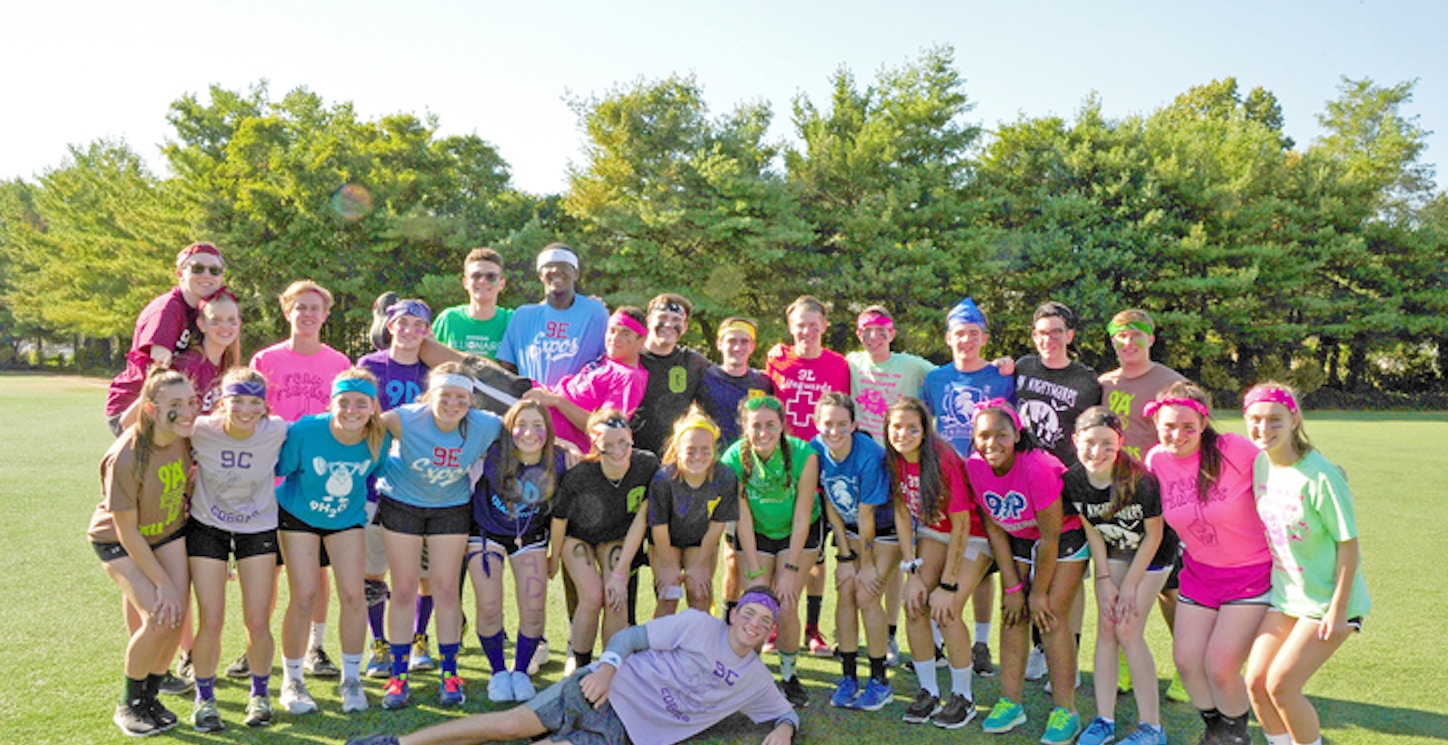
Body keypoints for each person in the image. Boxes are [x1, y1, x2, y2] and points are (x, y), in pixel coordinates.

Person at [343, 587, 799, 745]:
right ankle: (395, 742)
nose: (755, 624)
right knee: (506, 727)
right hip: (597, 688)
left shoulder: (757, 681)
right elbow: (629, 637)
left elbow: (786, 713)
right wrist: (605, 668)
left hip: (621, 734)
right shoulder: (700, 625)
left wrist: (784, 729)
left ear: (770, 633)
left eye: (765, 622)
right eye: (749, 614)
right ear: (734, 615)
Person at [1242, 383, 1369, 745]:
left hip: (1328, 602)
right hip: (1287, 597)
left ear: (1294, 419)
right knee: (1255, 683)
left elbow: (1348, 546)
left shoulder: (1321, 475)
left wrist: (1338, 610)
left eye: (1274, 420)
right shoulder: (1259, 465)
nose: (1263, 429)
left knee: (1282, 685)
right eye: (1254, 419)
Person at [375, 363, 505, 709]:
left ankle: (450, 672)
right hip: (401, 501)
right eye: (444, 395)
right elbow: (365, 429)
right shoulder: (403, 418)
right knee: (403, 589)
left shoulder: (486, 425)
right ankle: (398, 676)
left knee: (446, 589)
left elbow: (525, 429)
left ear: (471, 400)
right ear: (430, 395)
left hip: (451, 506)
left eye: (461, 397)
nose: (452, 403)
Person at [1144, 381, 1268, 745]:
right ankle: (1217, 731)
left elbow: (1281, 466)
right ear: (1156, 424)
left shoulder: (1235, 449)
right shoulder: (1157, 460)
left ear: (1203, 423)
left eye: (1188, 426)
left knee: (1220, 665)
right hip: (1199, 574)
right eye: (1169, 426)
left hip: (1252, 573)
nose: (1178, 434)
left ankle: (1234, 736)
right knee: (1186, 661)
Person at [246, 279, 354, 680]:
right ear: (287, 311)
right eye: (300, 307)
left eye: (315, 308)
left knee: (317, 572)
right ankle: (256, 645)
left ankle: (316, 646)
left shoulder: (339, 363)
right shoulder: (266, 360)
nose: (307, 315)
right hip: (272, 479)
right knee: (267, 568)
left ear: (325, 315)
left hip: (319, 483)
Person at [274, 368, 393, 716]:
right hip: (299, 515)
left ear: (373, 406)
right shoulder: (306, 430)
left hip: (346, 518)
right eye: (344, 402)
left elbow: (377, 473)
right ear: (332, 402)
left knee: (354, 594)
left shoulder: (379, 438)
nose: (352, 410)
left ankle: (352, 680)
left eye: (361, 403)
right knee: (304, 595)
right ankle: (292, 680)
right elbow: (283, 469)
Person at [968, 399, 1085, 744]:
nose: (992, 444)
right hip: (1017, 537)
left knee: (1050, 617)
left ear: (1017, 434)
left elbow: (1050, 537)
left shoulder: (1037, 466)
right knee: (1012, 615)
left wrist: (1037, 592)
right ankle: (1011, 702)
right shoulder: (975, 465)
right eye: (984, 436)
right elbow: (994, 526)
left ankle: (1067, 711)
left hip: (1062, 538)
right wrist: (1014, 589)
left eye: (1001, 435)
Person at [88, 369, 197, 736]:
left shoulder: (184, 439)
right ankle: (129, 703)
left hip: (166, 532)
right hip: (120, 540)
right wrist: (162, 582)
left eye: (191, 403)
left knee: (178, 616)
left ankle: (151, 695)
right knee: (158, 615)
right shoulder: (125, 456)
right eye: (175, 405)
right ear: (150, 409)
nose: (187, 412)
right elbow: (126, 530)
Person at [186, 368, 288, 731]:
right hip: (207, 527)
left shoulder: (276, 430)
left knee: (257, 619)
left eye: (255, 402)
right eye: (238, 400)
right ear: (222, 401)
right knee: (210, 618)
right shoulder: (201, 430)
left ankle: (259, 694)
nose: (246, 409)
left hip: (257, 527)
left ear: (265, 405)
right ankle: (204, 698)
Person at [1066, 407, 1175, 745]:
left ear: (1120, 444)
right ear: (1075, 441)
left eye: (1107, 445)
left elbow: (1154, 536)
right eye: (1089, 443)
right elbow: (1093, 530)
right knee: (1107, 625)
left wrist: (1128, 586)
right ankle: (1104, 720)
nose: (1097, 453)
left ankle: (1151, 728)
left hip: (1153, 554)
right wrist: (1103, 581)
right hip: (1114, 549)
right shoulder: (1073, 480)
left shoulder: (1140, 479)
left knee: (1127, 627)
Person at [1098, 308, 1190, 702]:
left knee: (1171, 588)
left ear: (1150, 339)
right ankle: (1121, 667)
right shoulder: (1102, 382)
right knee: (1116, 584)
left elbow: (1194, 433)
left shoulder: (1172, 383)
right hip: (1115, 501)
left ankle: (1188, 665)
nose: (1128, 343)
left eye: (1136, 335)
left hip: (1160, 498)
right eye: (1120, 336)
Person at [885, 397, 980, 729]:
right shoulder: (894, 459)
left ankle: (963, 697)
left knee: (946, 607)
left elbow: (963, 525)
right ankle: (928, 690)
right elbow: (900, 511)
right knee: (914, 603)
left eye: (913, 427)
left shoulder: (942, 460)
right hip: (934, 531)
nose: (903, 434)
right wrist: (911, 570)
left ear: (925, 431)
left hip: (972, 535)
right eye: (896, 426)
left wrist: (949, 583)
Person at [722, 395, 821, 708]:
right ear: (744, 428)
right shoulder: (734, 458)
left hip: (797, 531)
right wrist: (751, 565)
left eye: (770, 425)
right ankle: (746, 675)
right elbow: (743, 517)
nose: (762, 433)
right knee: (755, 603)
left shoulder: (804, 453)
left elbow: (803, 515)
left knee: (788, 602)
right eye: (755, 426)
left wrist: (790, 570)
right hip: (758, 533)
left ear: (782, 426)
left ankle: (789, 677)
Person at [764, 295, 849, 657]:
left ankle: (813, 629)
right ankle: (772, 625)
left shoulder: (839, 365)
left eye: (814, 325)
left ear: (824, 327)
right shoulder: (776, 359)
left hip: (822, 466)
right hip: (781, 466)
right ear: (790, 327)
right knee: (776, 550)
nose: (807, 331)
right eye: (800, 324)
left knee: (815, 556)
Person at [470, 399, 570, 703]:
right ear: (509, 429)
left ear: (548, 431)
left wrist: (555, 552)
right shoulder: (493, 452)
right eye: (521, 424)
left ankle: (521, 671)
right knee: (489, 606)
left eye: (537, 425)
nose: (529, 432)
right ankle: (498, 671)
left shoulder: (561, 460)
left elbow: (560, 512)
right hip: (486, 533)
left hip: (530, 537)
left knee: (534, 607)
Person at [357, 299, 436, 676]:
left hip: (421, 485)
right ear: (389, 326)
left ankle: (420, 639)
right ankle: (379, 643)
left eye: (418, 325)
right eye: (402, 323)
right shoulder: (369, 367)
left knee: (423, 574)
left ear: (427, 331)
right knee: (374, 570)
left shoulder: (433, 370)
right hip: (375, 482)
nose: (409, 331)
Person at [549, 408, 660, 667]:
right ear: (595, 444)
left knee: (616, 599)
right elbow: (560, 520)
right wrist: (553, 558)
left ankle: (612, 666)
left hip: (617, 536)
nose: (619, 451)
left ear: (632, 437)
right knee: (591, 595)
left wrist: (620, 575)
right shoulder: (580, 475)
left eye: (624, 442)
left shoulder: (647, 465)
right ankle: (580, 664)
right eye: (608, 445)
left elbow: (642, 520)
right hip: (578, 538)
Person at [809, 393, 895, 712]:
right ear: (817, 424)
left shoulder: (870, 455)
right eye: (828, 424)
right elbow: (830, 501)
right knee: (845, 588)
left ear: (854, 425)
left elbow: (867, 515)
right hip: (848, 530)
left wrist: (867, 563)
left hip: (884, 531)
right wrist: (845, 557)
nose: (834, 431)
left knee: (866, 593)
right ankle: (848, 678)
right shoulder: (815, 449)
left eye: (842, 425)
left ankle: (879, 681)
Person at [105, 242, 227, 435]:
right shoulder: (168, 310)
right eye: (197, 268)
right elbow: (157, 373)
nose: (206, 275)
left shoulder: (204, 310)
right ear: (179, 273)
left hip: (170, 406)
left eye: (214, 270)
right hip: (138, 407)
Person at [647, 407, 739, 616]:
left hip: (700, 541)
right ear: (678, 450)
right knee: (668, 595)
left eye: (705, 450)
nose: (698, 456)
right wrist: (669, 566)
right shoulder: (663, 479)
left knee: (699, 593)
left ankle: (695, 647)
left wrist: (700, 565)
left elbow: (717, 526)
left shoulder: (724, 477)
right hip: (666, 541)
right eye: (690, 450)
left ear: (714, 449)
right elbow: (658, 527)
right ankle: (659, 646)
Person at [524, 306, 649, 452]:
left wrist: (557, 401)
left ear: (641, 341)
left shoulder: (629, 377)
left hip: (549, 431)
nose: (615, 338)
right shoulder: (606, 360)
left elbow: (604, 429)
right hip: (536, 399)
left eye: (625, 333)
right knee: (491, 375)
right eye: (612, 331)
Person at [495, 243, 609, 387]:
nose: (556, 270)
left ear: (576, 273)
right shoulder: (523, 316)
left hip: (576, 406)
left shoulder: (595, 313)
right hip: (532, 404)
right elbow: (507, 369)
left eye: (564, 265)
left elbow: (609, 364)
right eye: (549, 266)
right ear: (540, 275)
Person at [922, 297, 1015, 456]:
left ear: (984, 339)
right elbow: (920, 422)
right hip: (947, 469)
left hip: (988, 469)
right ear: (948, 338)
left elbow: (1015, 428)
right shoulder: (934, 379)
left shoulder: (1002, 378)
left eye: (974, 333)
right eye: (959, 334)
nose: (966, 340)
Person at [1014, 301, 1102, 467]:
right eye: (1042, 333)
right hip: (1022, 466)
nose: (1048, 340)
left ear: (1069, 336)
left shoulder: (1086, 380)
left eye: (1056, 333)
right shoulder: (1023, 367)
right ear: (1034, 336)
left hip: (1063, 471)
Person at [631, 293, 712, 455]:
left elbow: (727, 379)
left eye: (676, 320)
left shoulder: (693, 362)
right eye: (662, 317)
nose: (668, 324)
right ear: (649, 321)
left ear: (685, 327)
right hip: (629, 456)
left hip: (674, 459)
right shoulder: (629, 356)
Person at [845, 305, 935, 441]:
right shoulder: (852, 362)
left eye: (881, 331)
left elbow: (945, 377)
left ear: (892, 334)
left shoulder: (912, 365)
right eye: (867, 331)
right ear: (859, 335)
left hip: (901, 447)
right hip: (864, 448)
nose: (874, 337)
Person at [700, 316, 775, 447]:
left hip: (750, 459)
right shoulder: (704, 379)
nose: (737, 348)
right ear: (719, 344)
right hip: (714, 460)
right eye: (731, 341)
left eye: (744, 342)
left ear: (752, 346)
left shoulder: (763, 382)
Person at [431, 247, 515, 359]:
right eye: (476, 276)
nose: (482, 281)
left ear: (501, 284)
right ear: (465, 282)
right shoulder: (448, 319)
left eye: (491, 276)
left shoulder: (512, 320)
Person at [172, 290, 244, 419]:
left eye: (231, 320)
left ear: (239, 324)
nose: (225, 327)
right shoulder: (188, 366)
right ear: (201, 324)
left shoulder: (228, 364)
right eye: (216, 320)